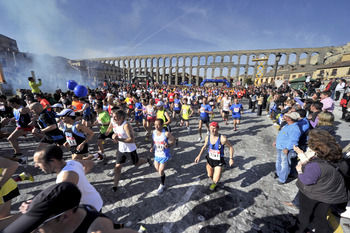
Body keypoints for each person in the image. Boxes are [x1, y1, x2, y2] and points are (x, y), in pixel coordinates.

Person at [3, 182, 137, 233]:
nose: (36, 230)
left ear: (64, 216)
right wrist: (33, 211)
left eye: (39, 223)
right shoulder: (81, 209)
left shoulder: (97, 228)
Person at [290, 129, 349, 233]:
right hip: (328, 196)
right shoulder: (342, 163)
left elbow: (306, 180)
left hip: (312, 194)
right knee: (321, 217)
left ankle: (297, 231)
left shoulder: (316, 165)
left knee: (304, 215)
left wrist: (299, 171)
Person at [110, 109, 151, 192]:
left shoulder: (126, 125)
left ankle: (147, 159)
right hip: (121, 150)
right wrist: (114, 139)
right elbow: (118, 138)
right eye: (113, 117)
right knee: (117, 168)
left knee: (137, 163)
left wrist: (119, 139)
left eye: (115, 117)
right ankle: (115, 186)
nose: (113, 119)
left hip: (130, 150)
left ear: (121, 117)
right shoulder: (117, 125)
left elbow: (132, 140)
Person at [195, 122, 234, 191]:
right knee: (209, 175)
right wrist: (199, 156)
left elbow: (231, 147)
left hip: (219, 160)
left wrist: (231, 158)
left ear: (218, 128)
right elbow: (204, 146)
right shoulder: (208, 137)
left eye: (214, 128)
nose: (212, 130)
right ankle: (216, 177)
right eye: (211, 128)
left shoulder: (222, 139)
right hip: (210, 159)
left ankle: (215, 183)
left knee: (216, 180)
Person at [273, 112, 301, 184]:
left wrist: (287, 149)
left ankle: (282, 179)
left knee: (285, 164)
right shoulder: (287, 125)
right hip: (280, 146)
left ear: (290, 119)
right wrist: (276, 141)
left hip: (285, 149)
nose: (284, 116)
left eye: (287, 116)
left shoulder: (295, 129)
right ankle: (279, 173)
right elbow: (282, 135)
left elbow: (293, 141)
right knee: (279, 161)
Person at [150, 119, 176, 194]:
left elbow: (173, 141)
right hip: (157, 155)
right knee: (158, 169)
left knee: (161, 170)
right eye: (155, 125)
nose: (156, 126)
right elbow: (153, 141)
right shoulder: (154, 132)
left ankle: (162, 184)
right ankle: (163, 177)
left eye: (158, 125)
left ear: (162, 125)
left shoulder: (166, 134)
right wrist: (152, 147)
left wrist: (168, 145)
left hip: (164, 155)